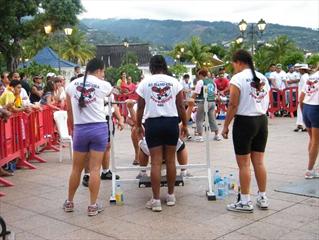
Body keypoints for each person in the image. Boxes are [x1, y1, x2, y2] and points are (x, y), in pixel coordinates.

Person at [135, 55, 188, 212]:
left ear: (151, 67)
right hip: (171, 122)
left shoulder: (145, 82)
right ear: (164, 66)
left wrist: (138, 125)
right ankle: (171, 196)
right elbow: (180, 105)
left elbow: (140, 107)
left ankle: (156, 200)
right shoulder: (174, 82)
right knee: (171, 161)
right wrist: (184, 124)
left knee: (156, 162)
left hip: (153, 123)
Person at [222, 50, 270, 213]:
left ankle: (245, 201)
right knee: (259, 162)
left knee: (244, 164)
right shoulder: (263, 77)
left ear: (239, 62)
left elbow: (233, 105)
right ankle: (263, 197)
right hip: (261, 121)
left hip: (245, 122)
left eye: (233, 64)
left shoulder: (237, 78)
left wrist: (226, 125)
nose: (233, 67)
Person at [63, 58, 113, 216]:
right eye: (103, 71)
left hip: (80, 130)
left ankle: (69, 202)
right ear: (99, 70)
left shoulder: (71, 85)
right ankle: (92, 206)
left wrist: (73, 128)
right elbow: (112, 95)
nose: (103, 74)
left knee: (76, 169)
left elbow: (69, 111)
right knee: (95, 169)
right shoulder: (103, 84)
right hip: (99, 128)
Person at [82, 94, 124, 187]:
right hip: (92, 119)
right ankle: (87, 175)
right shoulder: (87, 88)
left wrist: (120, 119)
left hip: (107, 119)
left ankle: (105, 172)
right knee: (90, 148)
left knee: (107, 146)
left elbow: (113, 105)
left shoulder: (106, 88)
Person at [299, 65, 319, 179]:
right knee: (316, 141)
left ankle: (311, 167)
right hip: (316, 108)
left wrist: (303, 112)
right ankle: (310, 170)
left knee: (313, 140)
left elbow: (301, 98)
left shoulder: (311, 77)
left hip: (307, 108)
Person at [192, 68, 221, 142]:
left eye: (199, 75)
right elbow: (215, 92)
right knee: (212, 118)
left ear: (201, 74)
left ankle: (200, 136)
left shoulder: (201, 82)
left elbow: (196, 92)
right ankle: (217, 135)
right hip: (212, 102)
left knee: (199, 119)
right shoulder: (212, 82)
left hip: (203, 101)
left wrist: (191, 99)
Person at [295, 64, 310, 132]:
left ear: (303, 70)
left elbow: (304, 88)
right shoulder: (306, 76)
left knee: (301, 111)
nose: (299, 70)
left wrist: (301, 97)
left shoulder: (304, 77)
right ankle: (302, 125)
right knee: (302, 111)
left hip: (302, 96)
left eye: (300, 69)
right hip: (304, 96)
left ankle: (301, 125)